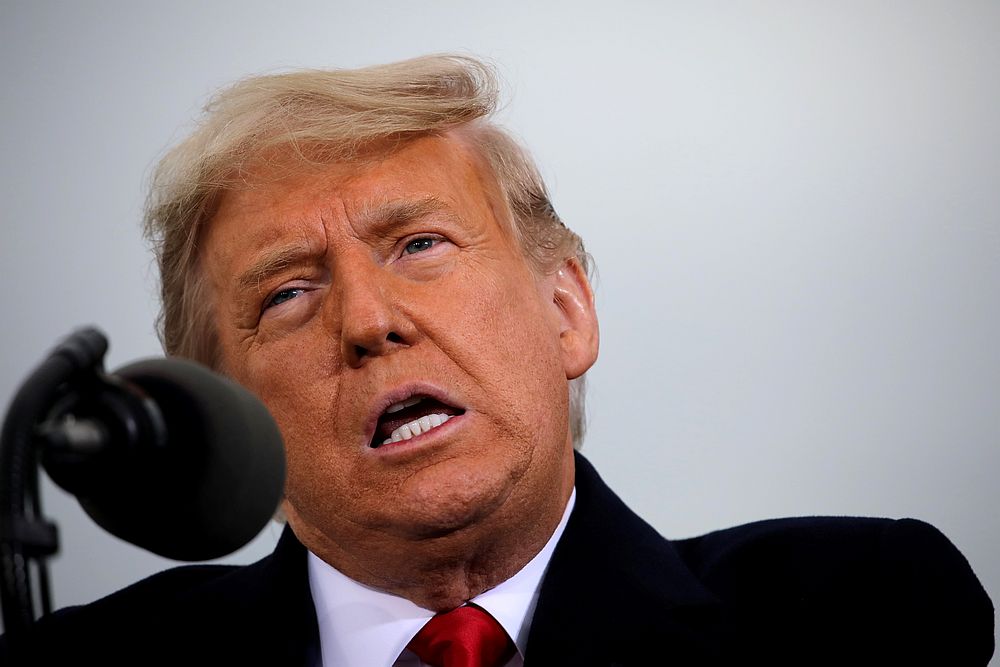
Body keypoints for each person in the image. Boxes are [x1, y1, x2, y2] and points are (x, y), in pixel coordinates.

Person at [3, 54, 994, 666]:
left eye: (418, 245)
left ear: (567, 311)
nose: (367, 320)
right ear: (222, 419)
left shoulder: (856, 610)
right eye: (288, 291)